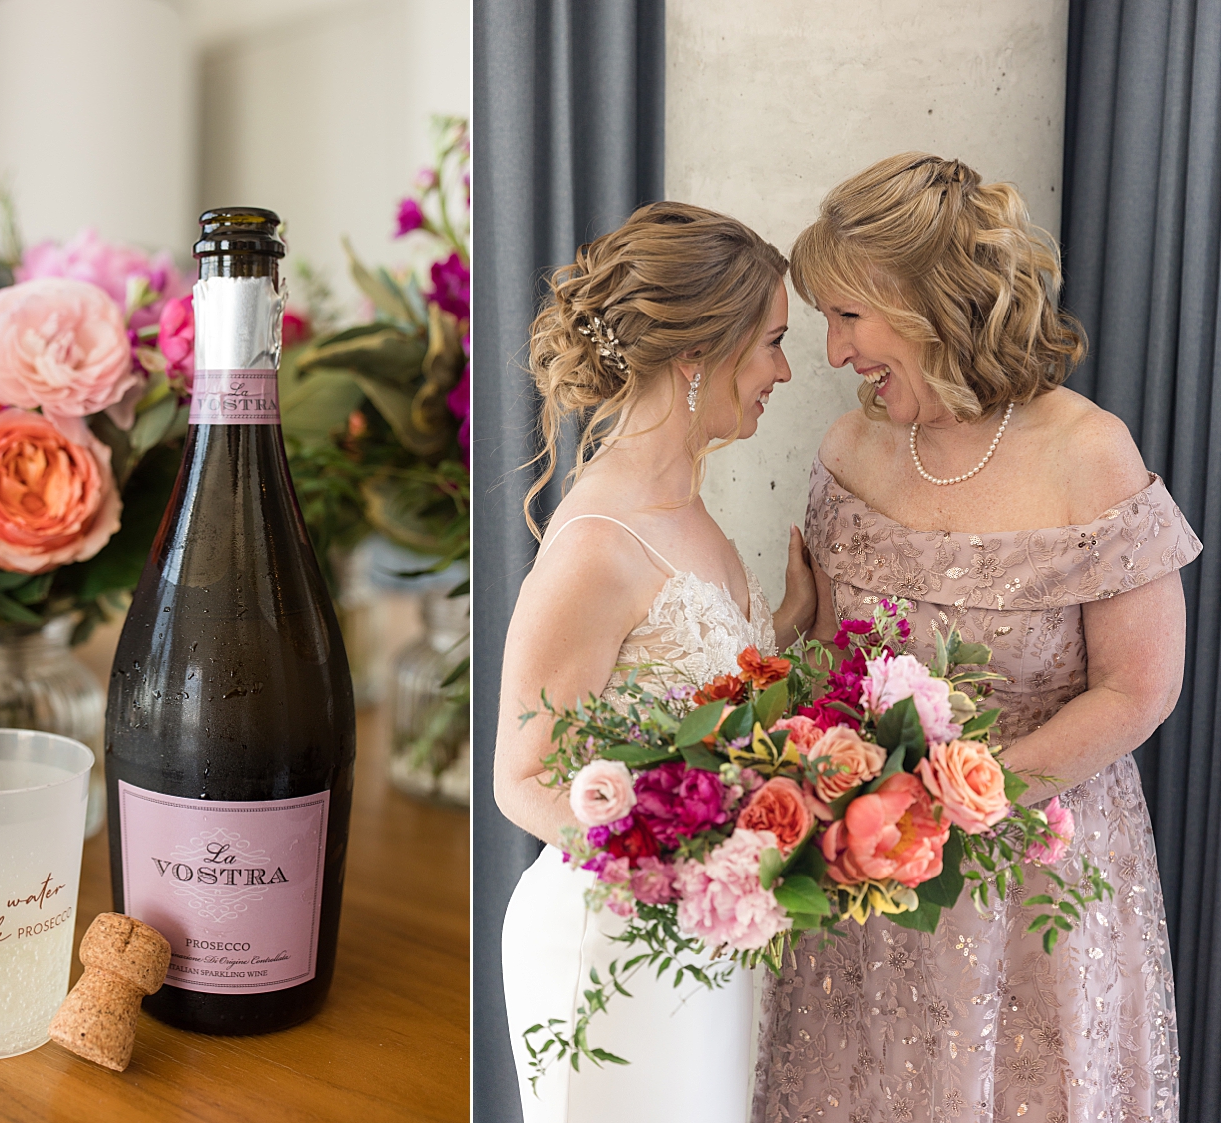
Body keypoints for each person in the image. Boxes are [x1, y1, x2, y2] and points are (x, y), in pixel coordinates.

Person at [751, 153, 1201, 1123]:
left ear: (921, 298)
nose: (833, 355)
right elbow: (835, 672)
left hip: (1040, 886)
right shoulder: (849, 450)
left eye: (847, 316)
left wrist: (955, 810)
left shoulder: (1090, 454)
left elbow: (1138, 689)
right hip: (873, 890)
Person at [495, 201, 818, 1122]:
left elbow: (683, 708)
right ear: (695, 355)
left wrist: (784, 634)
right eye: (771, 343)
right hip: (618, 946)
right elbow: (521, 777)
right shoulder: (599, 541)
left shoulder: (689, 508)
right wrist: (679, 876)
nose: (784, 372)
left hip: (701, 944)